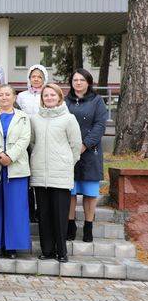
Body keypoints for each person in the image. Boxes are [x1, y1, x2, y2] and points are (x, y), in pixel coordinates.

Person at [30, 84, 82, 263]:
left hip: (60, 173)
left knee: (60, 215)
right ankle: (47, 250)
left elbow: (75, 145)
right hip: (40, 173)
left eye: (53, 95)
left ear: (59, 97)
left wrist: (67, 162)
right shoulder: (35, 119)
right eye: (46, 95)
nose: (49, 98)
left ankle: (62, 251)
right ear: (42, 98)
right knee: (44, 214)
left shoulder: (69, 119)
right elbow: (32, 142)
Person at [0, 85, 31, 259]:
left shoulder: (24, 117)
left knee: (16, 208)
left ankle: (12, 246)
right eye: (1, 95)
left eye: (7, 94)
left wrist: (10, 156)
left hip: (16, 168)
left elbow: (25, 139)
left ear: (14, 97)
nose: (4, 97)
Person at [65, 69, 107, 243]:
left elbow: (100, 125)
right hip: (68, 152)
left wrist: (84, 145)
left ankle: (88, 226)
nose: (78, 83)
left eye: (82, 80)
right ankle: (70, 224)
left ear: (88, 82)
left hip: (91, 153)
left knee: (89, 192)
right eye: (75, 80)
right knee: (71, 191)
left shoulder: (97, 101)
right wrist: (72, 147)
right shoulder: (65, 101)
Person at [16, 64, 48, 224]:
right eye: (33, 77)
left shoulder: (47, 95)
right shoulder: (21, 96)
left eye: (39, 77)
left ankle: (41, 211)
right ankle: (29, 211)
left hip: (43, 139)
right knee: (27, 177)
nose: (36, 79)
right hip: (24, 138)